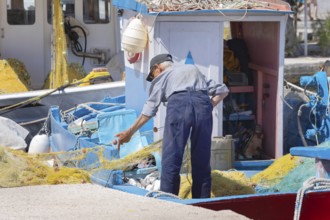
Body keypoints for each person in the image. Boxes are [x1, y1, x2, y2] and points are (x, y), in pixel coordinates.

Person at [114, 54, 229, 198]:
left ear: (158, 68)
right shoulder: (192, 69)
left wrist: (129, 133)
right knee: (202, 160)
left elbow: (149, 110)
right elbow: (223, 91)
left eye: (152, 75)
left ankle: (169, 201)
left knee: (171, 159)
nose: (153, 79)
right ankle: (202, 204)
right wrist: (207, 106)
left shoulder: (162, 77)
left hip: (179, 106)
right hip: (203, 105)